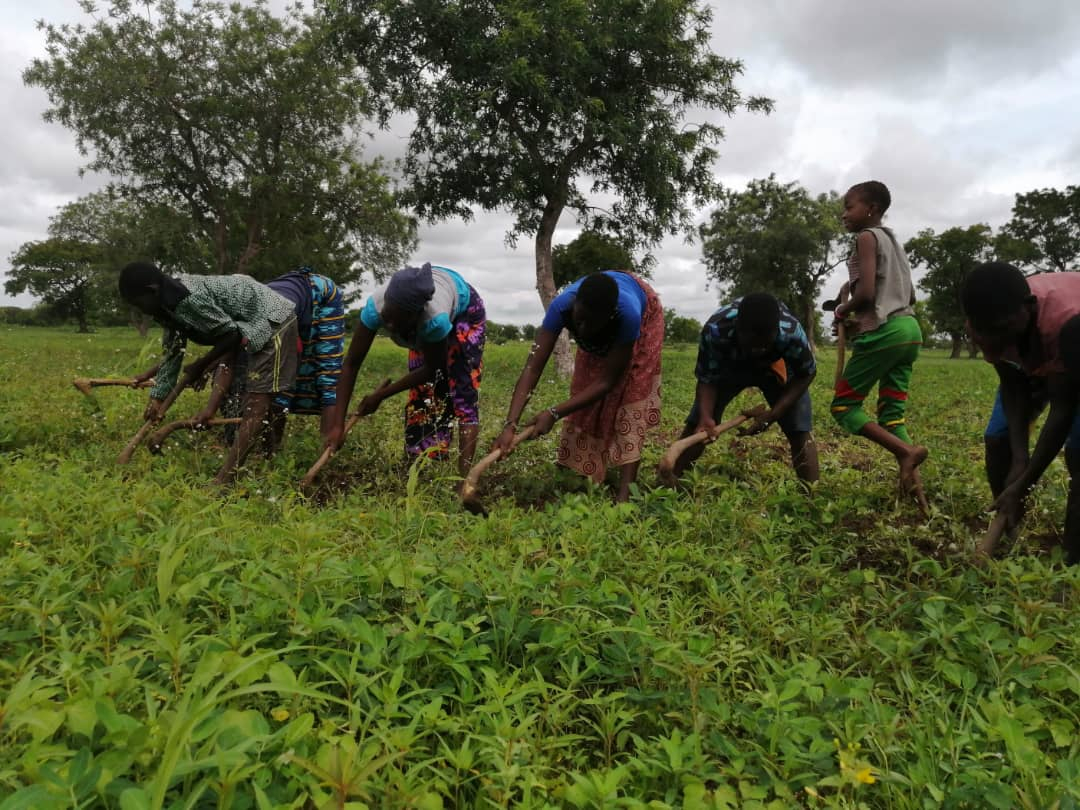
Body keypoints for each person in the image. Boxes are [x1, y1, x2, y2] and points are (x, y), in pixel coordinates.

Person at [118, 261, 299, 485]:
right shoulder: (165, 305)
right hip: (242, 325)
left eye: (138, 303)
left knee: (257, 403)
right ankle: (268, 456)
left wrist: (200, 366)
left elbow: (230, 337)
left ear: (152, 290)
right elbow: (174, 351)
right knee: (256, 398)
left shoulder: (187, 300)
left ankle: (224, 481)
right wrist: (157, 397)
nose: (139, 309)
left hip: (271, 319)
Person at [494, 270, 663, 502]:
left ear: (610, 316)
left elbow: (607, 382)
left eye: (591, 324)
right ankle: (572, 472)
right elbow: (533, 367)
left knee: (631, 396)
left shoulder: (629, 316)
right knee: (583, 389)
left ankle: (625, 493)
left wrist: (553, 413)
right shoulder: (560, 307)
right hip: (601, 318)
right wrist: (510, 424)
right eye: (579, 320)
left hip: (645, 319)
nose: (582, 330)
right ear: (575, 305)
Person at [961, 261, 1080, 562]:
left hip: (1075, 358)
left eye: (1000, 334)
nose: (996, 345)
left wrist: (1025, 480)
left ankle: (1072, 561)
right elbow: (1013, 387)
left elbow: (1063, 409)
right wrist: (1019, 456)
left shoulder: (1067, 320)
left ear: (1028, 307)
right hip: (1040, 362)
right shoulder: (989, 322)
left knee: (1079, 455)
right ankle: (1009, 530)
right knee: (998, 440)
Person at [329, 263, 486, 480]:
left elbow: (433, 369)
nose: (391, 326)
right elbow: (351, 363)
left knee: (461, 389)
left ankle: (465, 481)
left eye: (398, 321)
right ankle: (421, 469)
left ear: (415, 316)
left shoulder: (434, 320)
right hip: (425, 317)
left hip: (465, 313)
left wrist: (380, 395)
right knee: (423, 394)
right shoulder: (376, 308)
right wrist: (337, 425)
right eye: (388, 318)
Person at [829, 180, 927, 502]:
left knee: (843, 406)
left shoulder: (867, 238)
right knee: (892, 415)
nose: (844, 214)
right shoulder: (894, 243)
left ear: (871, 209)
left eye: (849, 207)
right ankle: (916, 494)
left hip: (887, 335)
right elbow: (906, 295)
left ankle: (904, 452)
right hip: (909, 332)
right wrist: (858, 321)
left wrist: (843, 310)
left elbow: (868, 293)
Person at [669, 293, 819, 484]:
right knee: (697, 424)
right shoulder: (716, 330)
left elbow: (806, 373)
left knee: (799, 429)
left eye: (765, 344)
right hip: (730, 367)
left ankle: (811, 497)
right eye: (752, 343)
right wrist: (706, 416)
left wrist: (773, 414)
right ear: (737, 328)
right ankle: (670, 482)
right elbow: (707, 378)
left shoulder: (791, 333)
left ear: (776, 332)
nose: (758, 350)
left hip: (774, 367)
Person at [191, 267, 345, 451]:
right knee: (257, 385)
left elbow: (283, 379)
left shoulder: (272, 322)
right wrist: (210, 409)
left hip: (320, 295)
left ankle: (327, 444)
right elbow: (226, 362)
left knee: (326, 376)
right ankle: (266, 450)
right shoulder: (235, 321)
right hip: (286, 307)